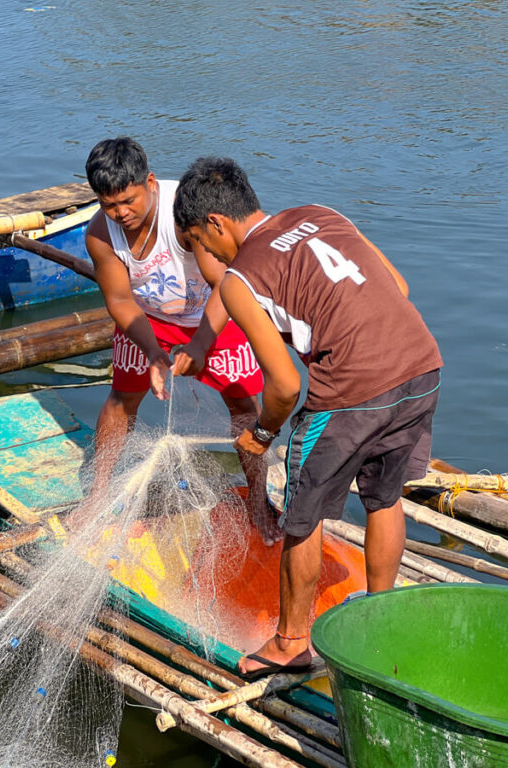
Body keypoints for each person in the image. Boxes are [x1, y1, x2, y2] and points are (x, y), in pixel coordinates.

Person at [172, 156, 442, 679]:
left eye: (200, 244)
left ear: (215, 224)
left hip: (351, 386)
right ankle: (379, 618)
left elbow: (285, 386)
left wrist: (262, 433)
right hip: (421, 364)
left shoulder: (239, 280)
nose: (209, 257)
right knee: (384, 497)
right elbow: (398, 287)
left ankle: (291, 643)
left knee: (302, 513)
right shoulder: (321, 213)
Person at [80, 137, 275, 537]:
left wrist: (200, 345)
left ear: (150, 182)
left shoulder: (183, 214)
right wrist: (154, 353)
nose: (120, 213)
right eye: (109, 204)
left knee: (243, 404)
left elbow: (225, 284)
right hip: (149, 318)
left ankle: (259, 498)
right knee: (121, 400)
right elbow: (120, 300)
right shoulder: (100, 234)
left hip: (213, 311)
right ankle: (97, 496)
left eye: (128, 201)